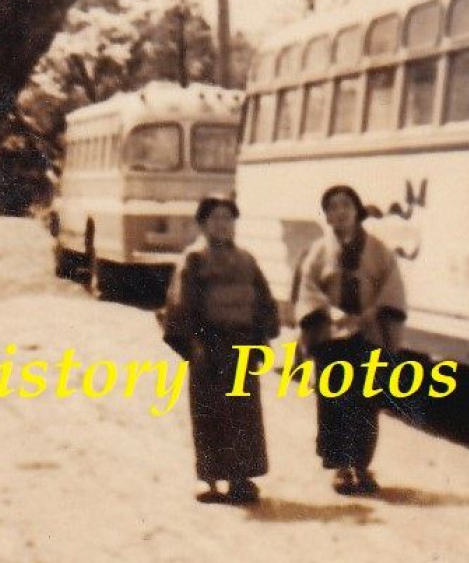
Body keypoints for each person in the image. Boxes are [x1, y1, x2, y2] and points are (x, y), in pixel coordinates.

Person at [160, 195, 279, 505]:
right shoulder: (194, 259)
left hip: (242, 344)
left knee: (243, 413)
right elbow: (182, 304)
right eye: (215, 218)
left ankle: (241, 478)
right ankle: (212, 481)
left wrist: (264, 331)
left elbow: (263, 299)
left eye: (228, 218)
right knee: (209, 412)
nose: (222, 224)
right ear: (202, 224)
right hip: (208, 346)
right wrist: (193, 343)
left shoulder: (247, 260)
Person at [294, 184, 407, 496]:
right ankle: (342, 467)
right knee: (334, 401)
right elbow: (307, 290)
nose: (340, 212)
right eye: (332, 207)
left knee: (367, 403)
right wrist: (329, 313)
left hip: (368, 334)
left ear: (357, 210)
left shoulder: (379, 250)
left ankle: (362, 465)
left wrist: (372, 313)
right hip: (332, 337)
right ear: (327, 216)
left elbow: (392, 288)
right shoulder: (317, 251)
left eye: (345, 205)